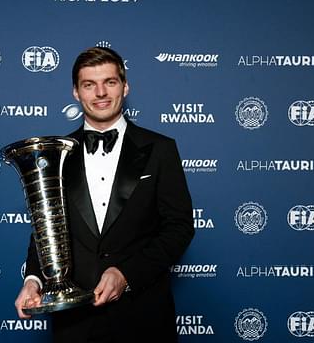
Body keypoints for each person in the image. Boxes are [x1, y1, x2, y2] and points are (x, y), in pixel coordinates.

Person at [15, 47, 195, 342]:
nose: (100, 92)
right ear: (76, 92)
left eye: (109, 82)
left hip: (144, 318)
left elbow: (179, 228)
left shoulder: (161, 149)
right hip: (75, 323)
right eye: (89, 84)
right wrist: (34, 281)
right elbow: (45, 230)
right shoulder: (55, 153)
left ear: (125, 87)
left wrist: (126, 275)